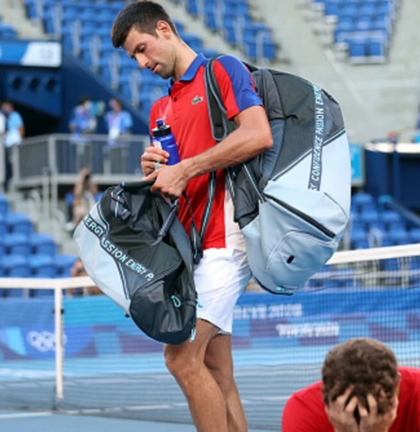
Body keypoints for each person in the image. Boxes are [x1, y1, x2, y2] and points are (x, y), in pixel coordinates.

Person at [111, 2, 273, 431]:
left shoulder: (222, 70)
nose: (142, 63)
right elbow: (177, 181)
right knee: (217, 371)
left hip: (228, 238)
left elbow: (258, 134)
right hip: (191, 249)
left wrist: (185, 168)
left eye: (143, 49)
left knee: (181, 358)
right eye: (134, 58)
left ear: (165, 29)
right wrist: (156, 171)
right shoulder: (159, 111)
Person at [282, 338, 420, 432]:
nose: (365, 422)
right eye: (350, 414)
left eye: (377, 410)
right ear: (325, 396)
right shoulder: (303, 408)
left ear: (397, 385)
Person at [1, 100, 24, 192]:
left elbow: (21, 128)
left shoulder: (15, 115)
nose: (3, 109)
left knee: (14, 162)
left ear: (10, 106)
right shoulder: (7, 117)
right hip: (8, 144)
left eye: (5, 106)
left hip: (14, 144)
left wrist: (21, 140)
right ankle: (9, 180)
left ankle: (15, 180)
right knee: (8, 163)